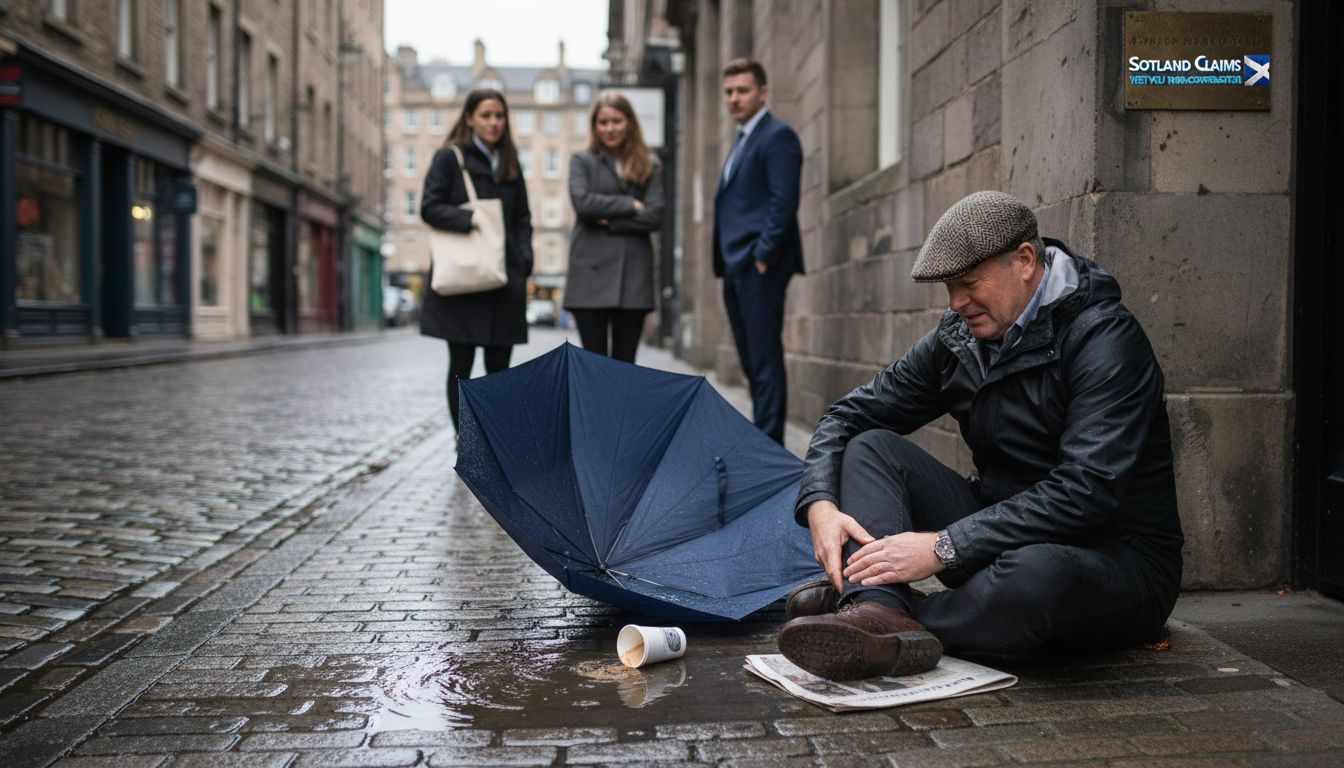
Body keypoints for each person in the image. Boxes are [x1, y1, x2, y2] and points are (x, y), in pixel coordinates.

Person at [777, 191, 1184, 682]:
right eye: (949, 287)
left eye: (969, 283)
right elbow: (848, 417)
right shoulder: (959, 339)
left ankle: (886, 617)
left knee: (1036, 581)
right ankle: (877, 608)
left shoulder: (1106, 341)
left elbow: (1087, 492)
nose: (955, 303)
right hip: (994, 537)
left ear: (1026, 261)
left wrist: (943, 547)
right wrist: (819, 503)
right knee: (870, 448)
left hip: (1113, 559)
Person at [419, 89, 533, 433]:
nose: (494, 122)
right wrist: (470, 219)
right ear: (469, 118)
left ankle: (494, 440)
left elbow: (523, 219)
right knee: (461, 366)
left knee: (500, 368)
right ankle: (465, 439)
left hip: (503, 279)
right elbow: (429, 207)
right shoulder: (449, 158)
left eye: (499, 116)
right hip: (463, 280)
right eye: (486, 115)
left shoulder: (510, 164)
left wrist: (523, 260)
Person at [713, 58, 805, 445]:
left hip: (759, 265)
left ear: (763, 92)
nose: (734, 98)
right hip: (736, 265)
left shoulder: (777, 136)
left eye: (743, 90)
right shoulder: (742, 140)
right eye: (729, 92)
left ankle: (769, 446)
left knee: (764, 359)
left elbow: (783, 203)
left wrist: (762, 255)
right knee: (752, 361)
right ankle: (764, 438)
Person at [564, 91, 665, 362]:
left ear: (630, 122)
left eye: (616, 121)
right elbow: (583, 203)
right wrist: (631, 205)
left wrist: (607, 219)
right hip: (590, 273)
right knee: (593, 364)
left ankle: (620, 408)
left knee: (624, 364)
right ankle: (595, 408)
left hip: (632, 275)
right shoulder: (582, 161)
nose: (610, 128)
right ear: (594, 126)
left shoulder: (650, 164)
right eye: (603, 122)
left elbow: (655, 216)